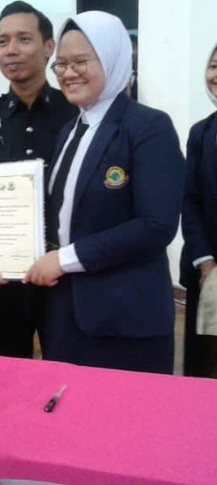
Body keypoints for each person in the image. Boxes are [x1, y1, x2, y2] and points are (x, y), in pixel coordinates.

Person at [0, 11, 185, 373]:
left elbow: (156, 225)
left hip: (124, 318)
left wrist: (64, 259)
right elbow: (59, 219)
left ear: (112, 58)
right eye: (61, 64)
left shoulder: (148, 127)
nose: (68, 72)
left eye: (80, 62)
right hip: (64, 313)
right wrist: (4, 259)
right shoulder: (71, 129)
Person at [0, 1, 77, 358]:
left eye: (23, 39)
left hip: (64, 278)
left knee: (70, 375)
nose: (11, 50)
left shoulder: (76, 114)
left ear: (49, 47)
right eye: (2, 41)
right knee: (0, 378)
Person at [180, 44, 217, 377]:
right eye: (214, 65)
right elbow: (189, 199)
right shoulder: (201, 132)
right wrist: (205, 261)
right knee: (206, 364)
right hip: (208, 269)